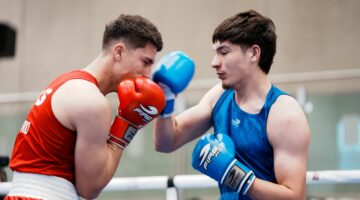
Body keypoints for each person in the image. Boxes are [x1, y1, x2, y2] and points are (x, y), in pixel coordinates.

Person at [153, 10, 310, 199]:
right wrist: (165, 99)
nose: (214, 63)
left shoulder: (284, 113)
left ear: (253, 53)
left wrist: (234, 174)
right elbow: (167, 142)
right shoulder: (218, 96)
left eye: (224, 52)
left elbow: (294, 196)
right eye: (215, 53)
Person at [6, 14, 165, 200]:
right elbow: (90, 188)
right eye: (146, 62)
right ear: (119, 52)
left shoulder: (68, 82)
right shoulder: (92, 101)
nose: (148, 74)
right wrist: (126, 127)